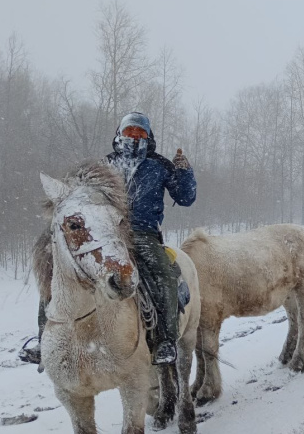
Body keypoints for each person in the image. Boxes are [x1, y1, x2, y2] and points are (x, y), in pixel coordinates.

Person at [20, 112, 196, 366]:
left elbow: (186, 197)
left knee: (164, 274)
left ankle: (165, 340)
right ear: (119, 135)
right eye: (129, 133)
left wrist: (185, 172)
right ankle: (45, 340)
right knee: (56, 271)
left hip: (143, 232)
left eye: (140, 134)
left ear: (148, 137)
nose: (134, 138)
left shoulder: (159, 165)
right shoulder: (105, 165)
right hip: (106, 232)